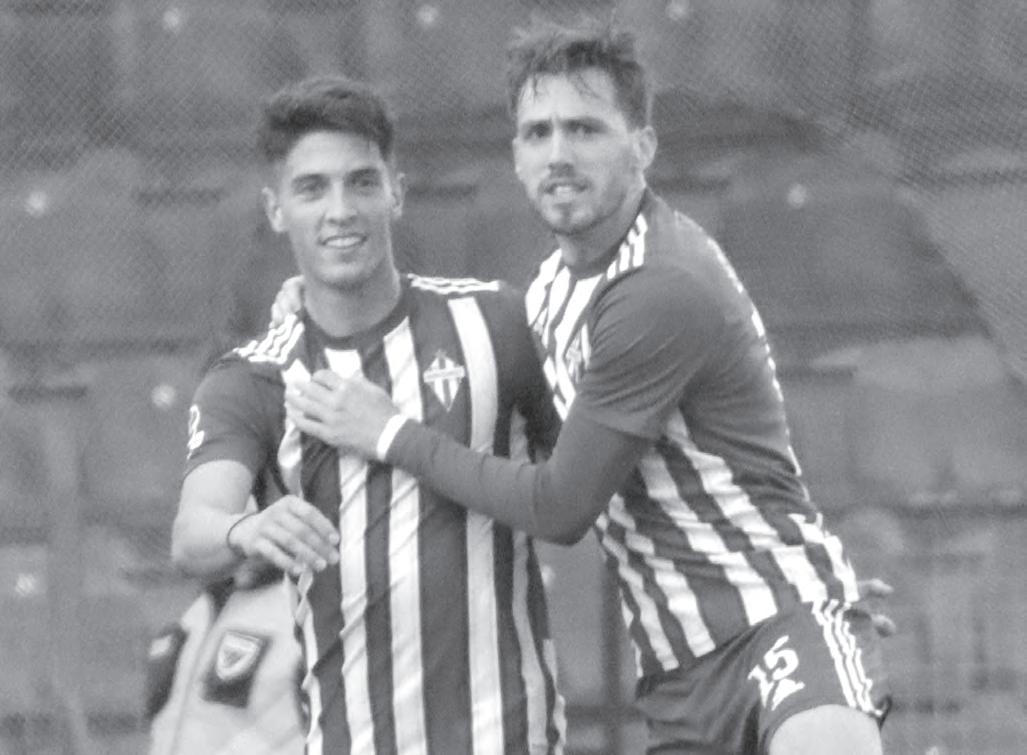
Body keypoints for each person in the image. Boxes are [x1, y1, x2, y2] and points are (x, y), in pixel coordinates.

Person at [279, 19, 892, 755]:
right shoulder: (547, 291)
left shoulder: (660, 286)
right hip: (680, 677)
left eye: (584, 129)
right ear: (515, 155)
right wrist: (321, 299)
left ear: (643, 146)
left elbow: (561, 503)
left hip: (775, 627)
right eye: (537, 133)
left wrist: (389, 432)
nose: (558, 154)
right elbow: (497, 396)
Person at [171, 74, 566, 754]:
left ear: (396, 192)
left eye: (361, 183)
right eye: (311, 189)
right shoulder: (252, 379)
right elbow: (192, 533)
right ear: (275, 209)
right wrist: (249, 527)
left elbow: (576, 490)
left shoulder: (496, 323)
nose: (340, 210)